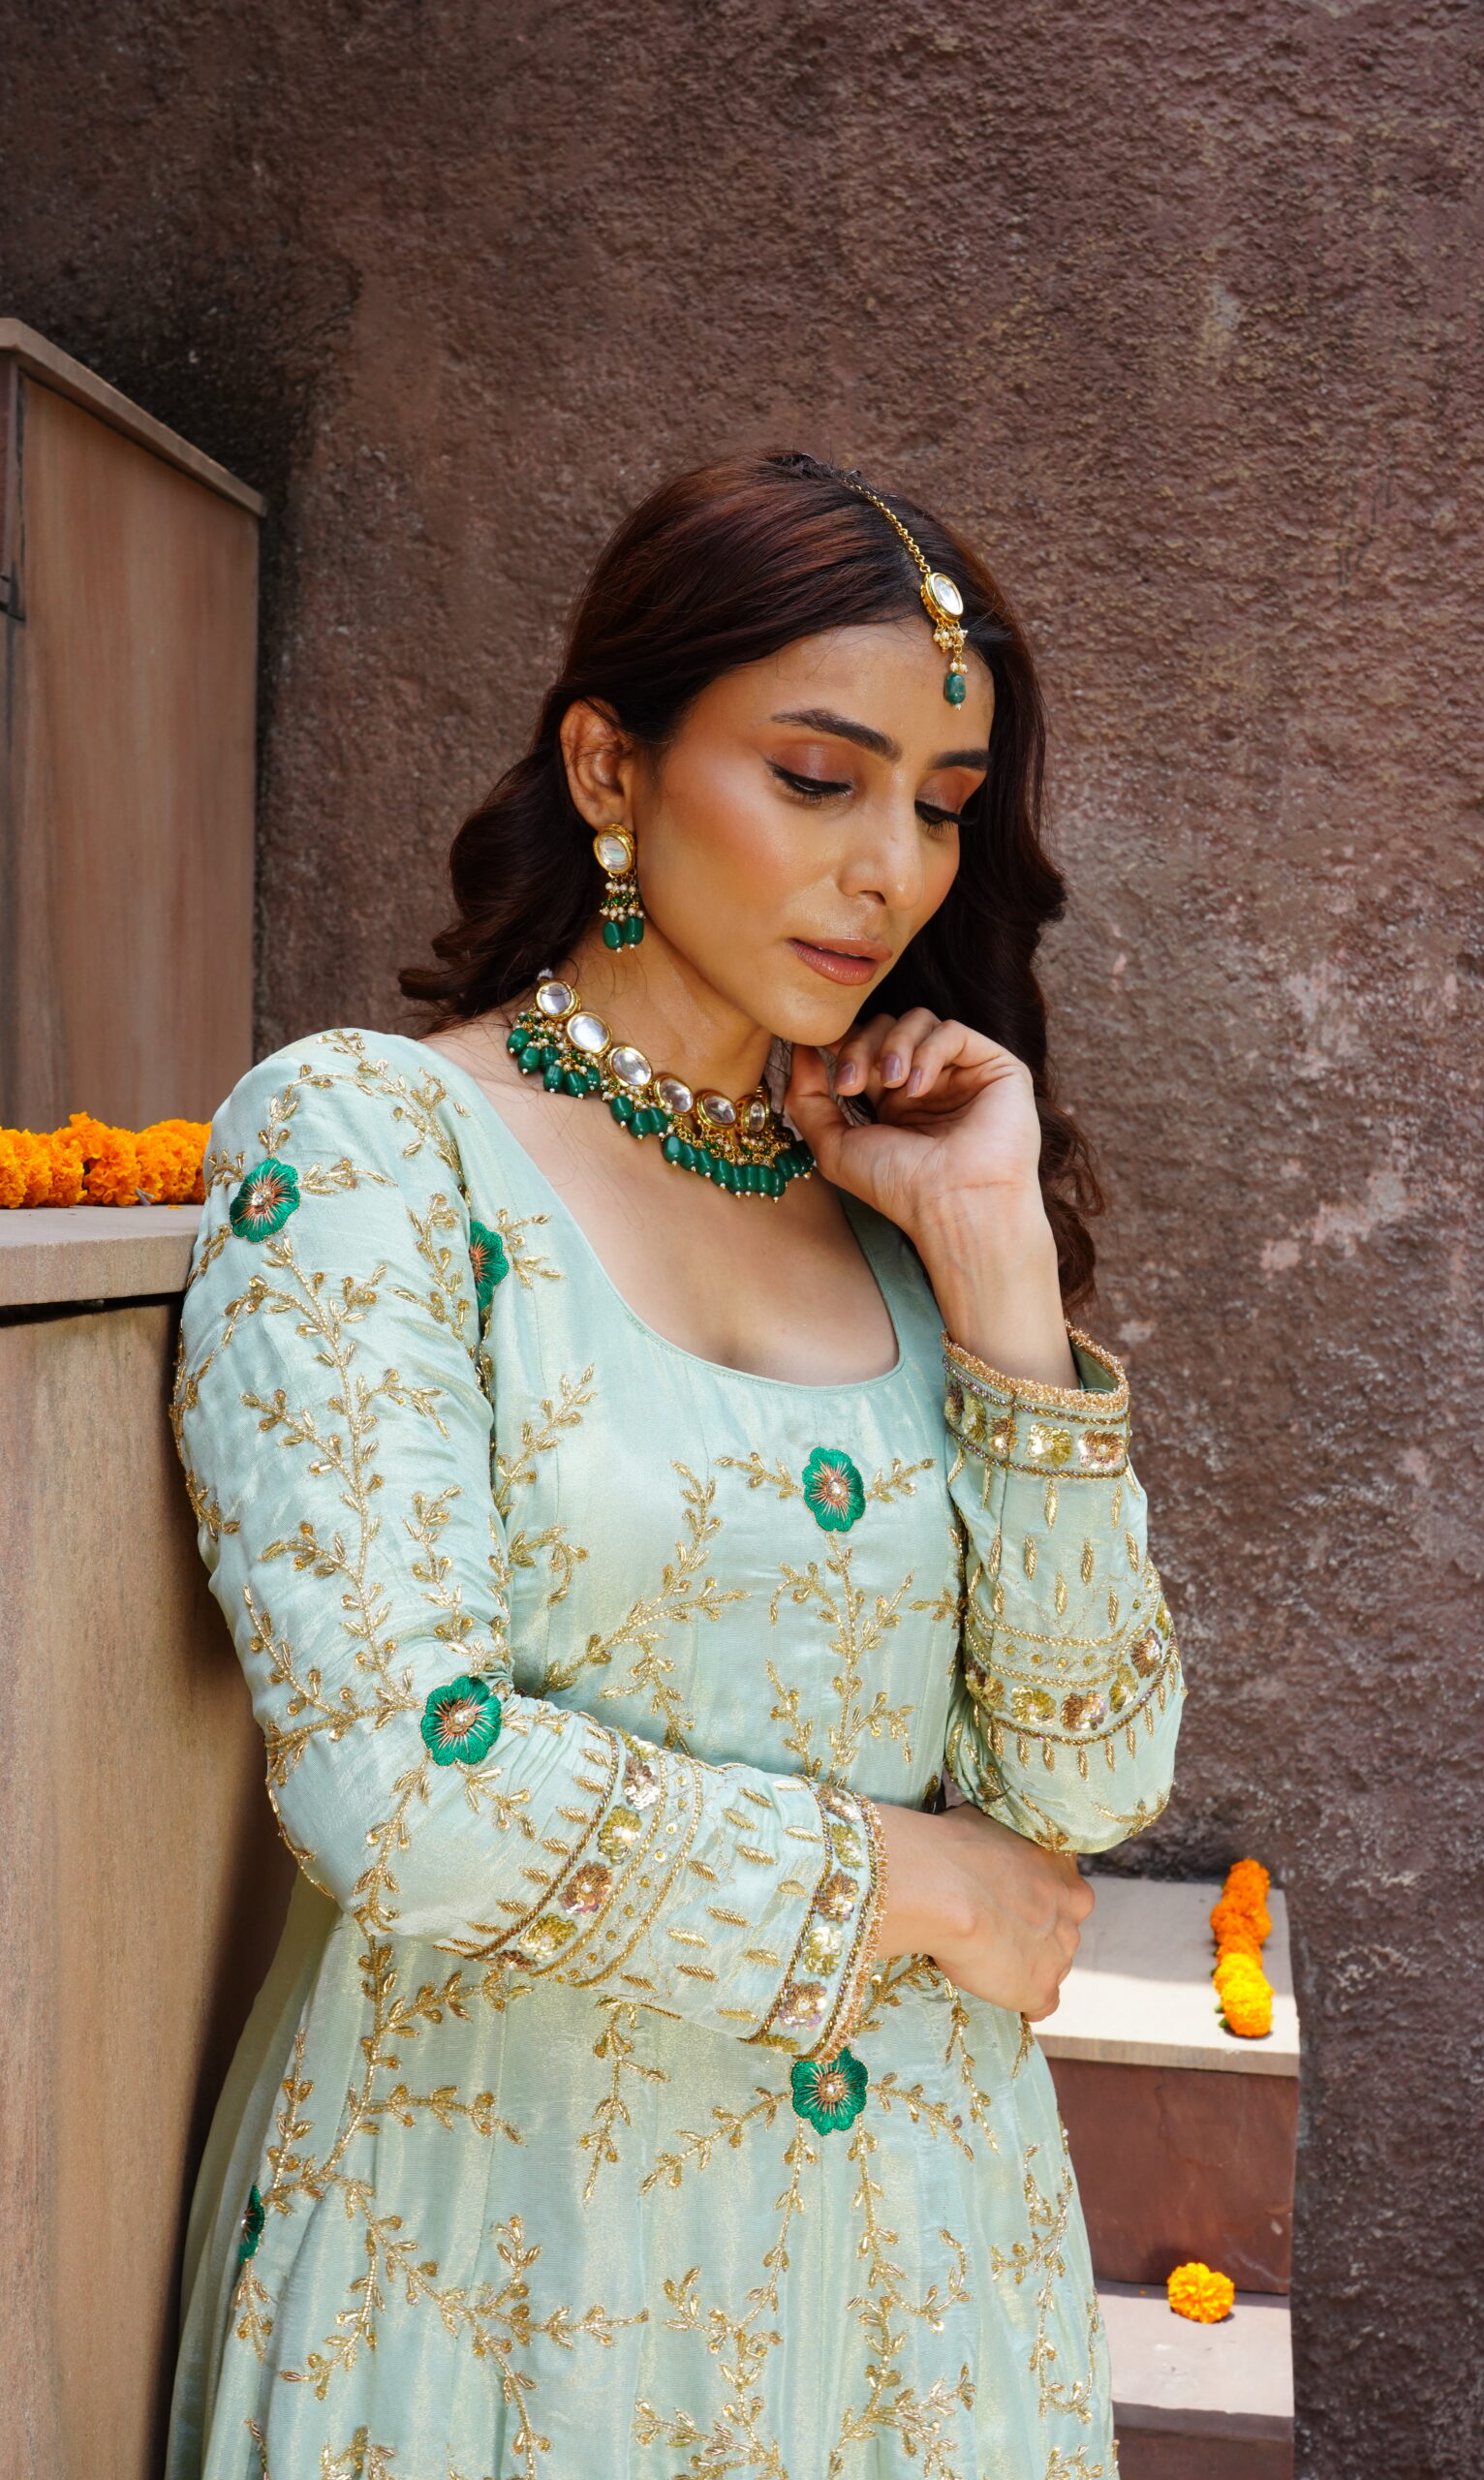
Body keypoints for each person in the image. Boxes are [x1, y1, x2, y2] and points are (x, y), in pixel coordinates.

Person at [168, 450, 1185, 2480]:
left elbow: (1086, 1783)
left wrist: (995, 1260)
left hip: (921, 2295)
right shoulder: (371, 1146)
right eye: (816, 778)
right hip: (498, 2267)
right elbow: (403, 1784)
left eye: (940, 805)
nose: (888, 868)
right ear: (608, 766)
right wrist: (910, 1880)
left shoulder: (903, 1207)